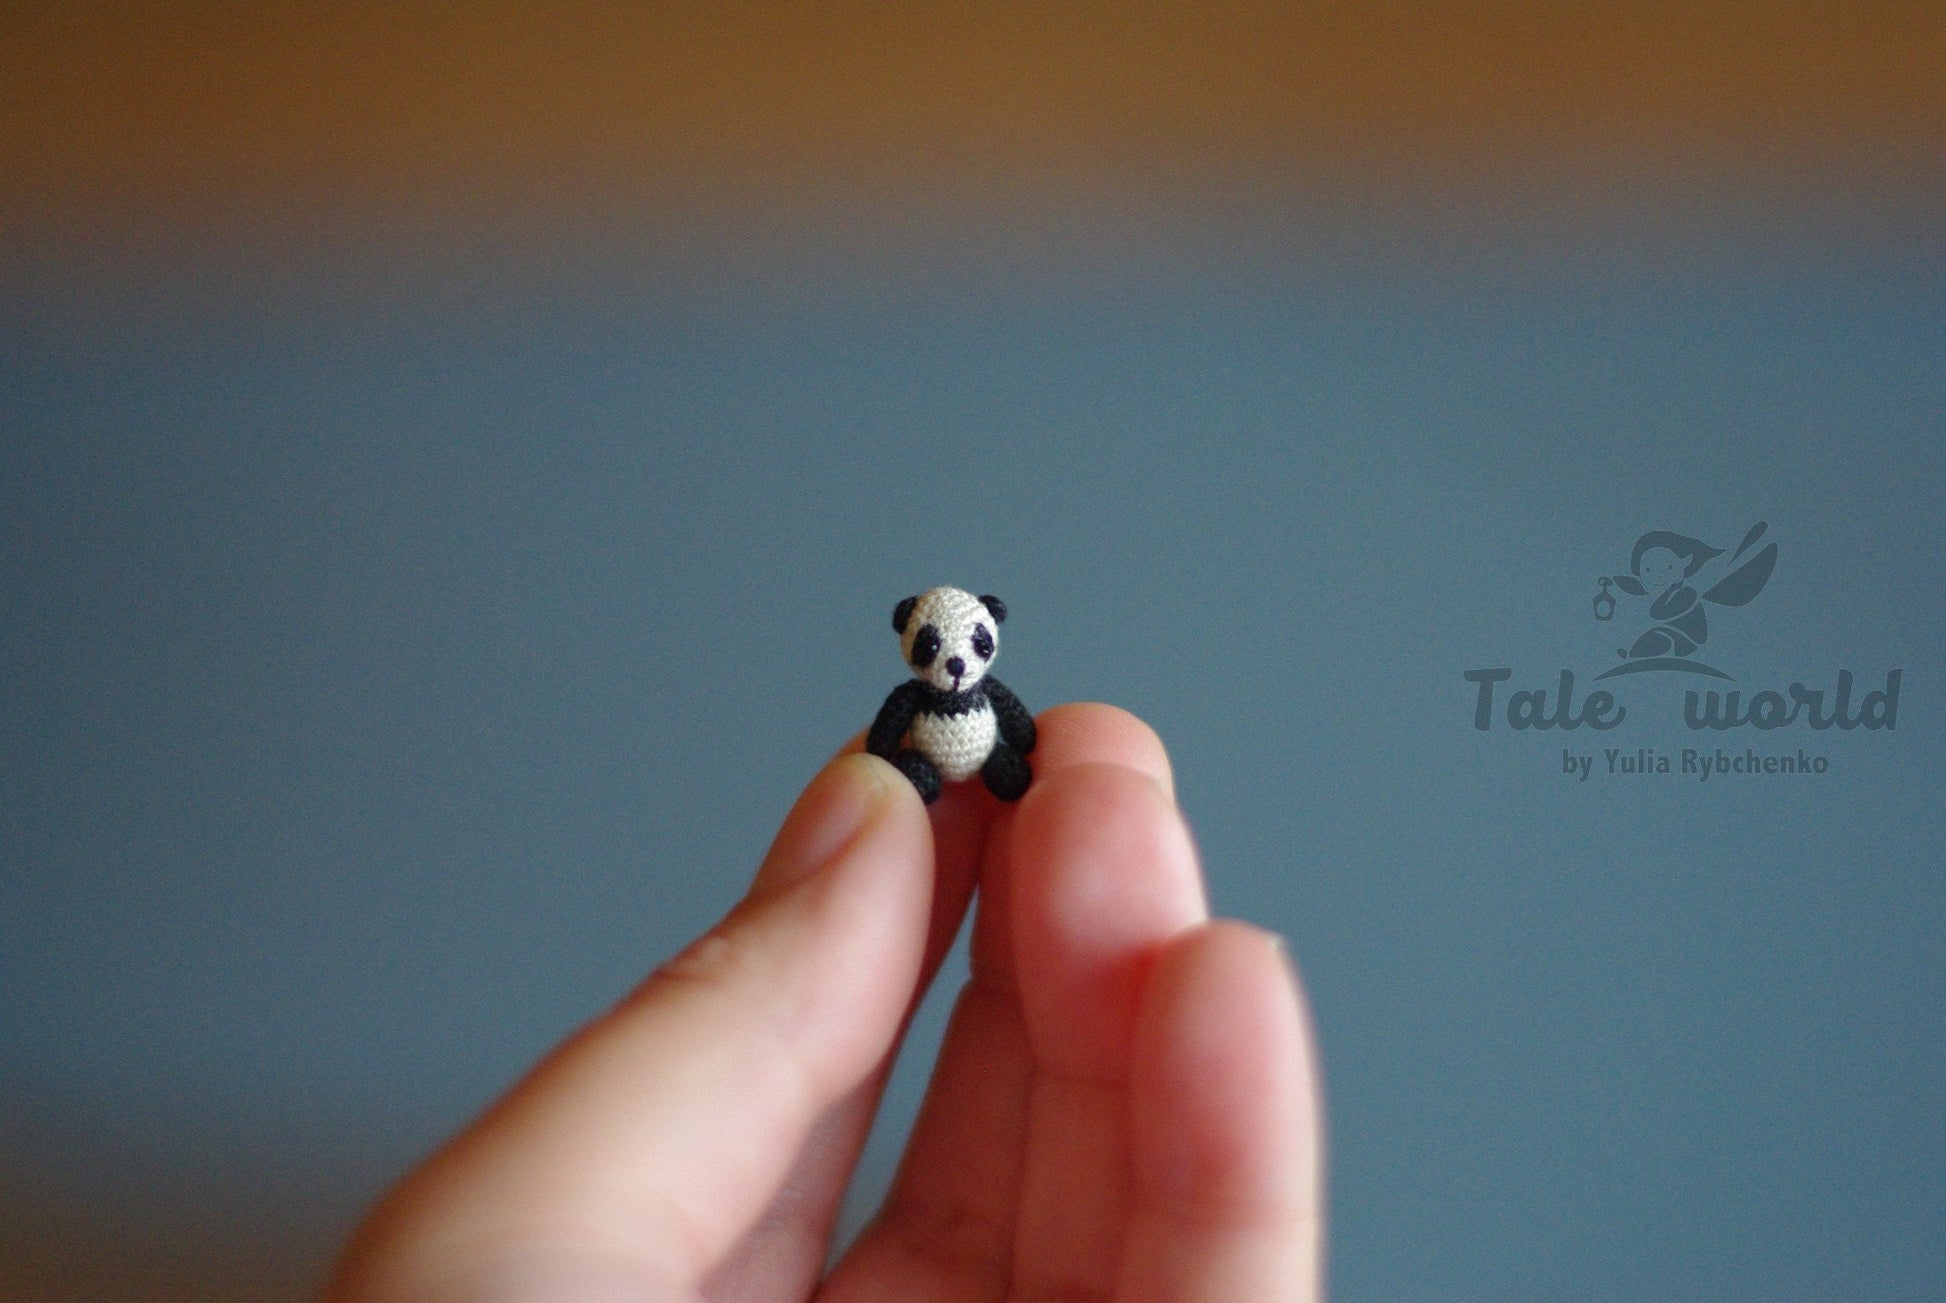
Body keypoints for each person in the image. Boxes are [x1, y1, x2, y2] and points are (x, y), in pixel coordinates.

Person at [326, 704, 1323, 1300]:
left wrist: (1006, 758)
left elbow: (1012, 732)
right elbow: (897, 736)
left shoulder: (993, 705)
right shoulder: (912, 702)